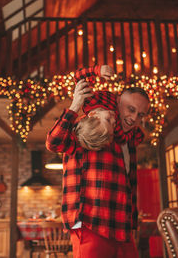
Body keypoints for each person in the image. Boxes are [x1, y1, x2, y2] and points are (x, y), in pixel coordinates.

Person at [46, 65, 150, 258]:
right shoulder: (89, 130)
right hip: (91, 225)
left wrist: (132, 223)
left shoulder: (129, 140)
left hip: (122, 229)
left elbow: (129, 187)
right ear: (118, 103)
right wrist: (75, 105)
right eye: (131, 109)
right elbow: (54, 142)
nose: (134, 117)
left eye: (141, 114)